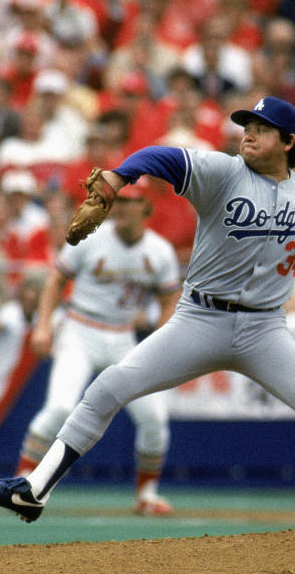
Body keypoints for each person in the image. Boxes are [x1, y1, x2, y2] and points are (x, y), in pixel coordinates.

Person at [0, 96, 295, 525]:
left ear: (288, 141)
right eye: (246, 124)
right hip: (199, 319)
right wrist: (120, 176)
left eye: (261, 128)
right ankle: (35, 489)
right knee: (110, 386)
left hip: (265, 330)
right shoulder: (223, 172)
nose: (248, 132)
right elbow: (161, 156)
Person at [17, 180, 181, 516]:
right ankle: (23, 479)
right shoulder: (90, 234)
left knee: (153, 417)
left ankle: (146, 495)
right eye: (118, 201)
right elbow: (55, 279)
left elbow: (169, 299)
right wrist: (44, 325)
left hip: (122, 337)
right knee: (60, 408)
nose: (121, 207)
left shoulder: (159, 251)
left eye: (131, 201)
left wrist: (161, 339)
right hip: (80, 329)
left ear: (146, 208)